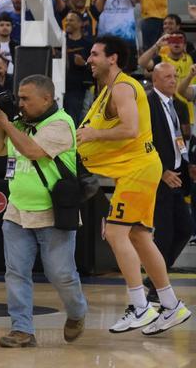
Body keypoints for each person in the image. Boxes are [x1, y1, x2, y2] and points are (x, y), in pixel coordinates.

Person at [77, 36, 191, 334]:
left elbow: (131, 129)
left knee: (115, 234)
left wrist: (92, 136)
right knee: (140, 237)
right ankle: (171, 305)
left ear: (112, 58)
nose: (89, 59)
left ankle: (139, 305)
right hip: (136, 169)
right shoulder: (107, 90)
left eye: (94, 54)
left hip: (138, 169)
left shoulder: (124, 86)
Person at [0, 74, 88, 347]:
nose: (20, 103)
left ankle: (77, 312)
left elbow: (32, 150)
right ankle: (22, 329)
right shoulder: (20, 122)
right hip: (17, 212)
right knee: (16, 273)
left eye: (25, 99)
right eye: (18, 98)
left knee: (61, 274)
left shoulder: (61, 124)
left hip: (52, 214)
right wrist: (1, 120)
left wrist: (7, 123)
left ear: (46, 99)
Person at [148, 64, 195, 294]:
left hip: (177, 176)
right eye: (167, 77)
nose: (173, 80)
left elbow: (179, 140)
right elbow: (145, 144)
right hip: (160, 177)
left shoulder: (175, 104)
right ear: (155, 79)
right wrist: (162, 170)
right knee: (164, 233)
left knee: (186, 229)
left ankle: (158, 274)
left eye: (175, 76)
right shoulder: (148, 103)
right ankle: (157, 287)